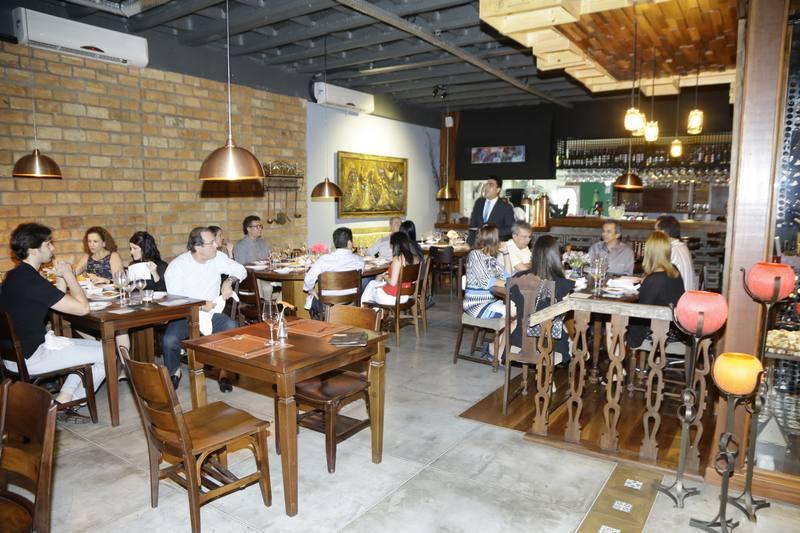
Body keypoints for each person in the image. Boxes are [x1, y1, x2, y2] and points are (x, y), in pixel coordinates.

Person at [0, 223, 105, 406]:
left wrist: (61, 277)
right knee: (106, 353)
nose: (53, 248)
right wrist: (69, 275)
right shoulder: (33, 282)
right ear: (33, 250)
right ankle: (71, 402)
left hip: (13, 356)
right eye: (48, 244)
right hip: (32, 358)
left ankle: (64, 398)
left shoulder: (14, 276)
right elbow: (83, 309)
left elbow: (55, 299)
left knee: (96, 346)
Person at [163, 227, 246, 391]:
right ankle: (174, 372)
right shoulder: (177, 266)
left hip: (211, 314)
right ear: (197, 247)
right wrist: (199, 305)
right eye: (211, 243)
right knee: (169, 340)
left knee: (232, 327)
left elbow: (241, 270)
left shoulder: (217, 258)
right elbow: (175, 299)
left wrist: (228, 281)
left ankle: (224, 372)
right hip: (185, 315)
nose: (216, 245)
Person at [510, 235, 575, 365]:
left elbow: (512, 312)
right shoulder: (562, 284)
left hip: (519, 342)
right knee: (575, 342)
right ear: (556, 256)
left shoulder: (518, 278)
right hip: (550, 345)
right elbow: (561, 316)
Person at [627, 231, 686, 349]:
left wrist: (631, 340)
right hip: (678, 329)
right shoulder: (674, 270)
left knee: (616, 324)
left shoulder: (654, 280)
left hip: (662, 333)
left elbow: (641, 314)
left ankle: (617, 359)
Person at [463, 224, 513, 359]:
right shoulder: (475, 255)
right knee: (514, 314)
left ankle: (494, 348)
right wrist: (509, 283)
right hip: (476, 305)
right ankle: (498, 352)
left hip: (490, 303)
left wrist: (506, 253)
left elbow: (508, 277)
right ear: (494, 241)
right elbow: (486, 281)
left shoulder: (491, 259)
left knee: (517, 313)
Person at [304, 228, 365, 313]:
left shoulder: (323, 260)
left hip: (327, 306)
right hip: (351, 304)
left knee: (310, 300)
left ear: (334, 242)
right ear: (349, 243)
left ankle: (324, 320)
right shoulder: (359, 261)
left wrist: (311, 291)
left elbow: (308, 280)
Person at [362, 233, 420, 305]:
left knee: (371, 286)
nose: (390, 246)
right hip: (405, 296)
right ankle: (375, 311)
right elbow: (413, 281)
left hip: (392, 297)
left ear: (395, 245)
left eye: (391, 244)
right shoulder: (416, 258)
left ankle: (362, 309)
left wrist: (385, 277)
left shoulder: (397, 259)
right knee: (374, 285)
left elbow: (393, 283)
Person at [233, 215, 274, 302]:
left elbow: (270, 259)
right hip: (250, 279)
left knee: (286, 285)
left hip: (266, 276)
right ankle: (265, 308)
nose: (260, 229)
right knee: (268, 288)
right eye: (257, 227)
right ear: (248, 229)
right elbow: (240, 267)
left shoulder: (263, 242)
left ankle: (277, 305)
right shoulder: (241, 245)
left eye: (260, 226)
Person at [467, 177, 515, 246]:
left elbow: (510, 228)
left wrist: (491, 233)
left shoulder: (506, 207)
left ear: (498, 190)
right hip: (477, 245)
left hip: (495, 246)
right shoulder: (479, 202)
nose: (486, 187)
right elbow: (472, 225)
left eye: (491, 185)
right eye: (486, 184)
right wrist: (469, 243)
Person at [655, 215, 695, 291]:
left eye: (656, 230)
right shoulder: (683, 247)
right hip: (687, 295)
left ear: (663, 232)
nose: (654, 235)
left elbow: (659, 282)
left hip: (679, 297)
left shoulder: (670, 251)